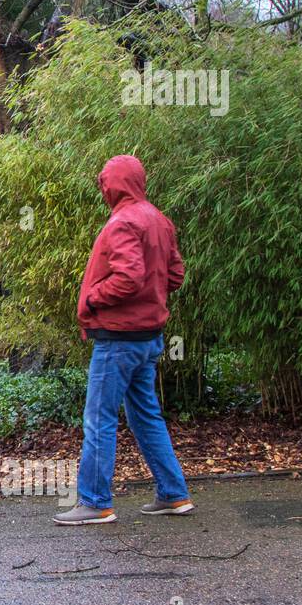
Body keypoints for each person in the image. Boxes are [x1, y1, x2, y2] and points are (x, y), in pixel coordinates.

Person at [54, 155, 194, 525]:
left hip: (118, 339)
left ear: (112, 184)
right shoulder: (159, 219)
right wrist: (152, 293)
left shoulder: (122, 222)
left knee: (99, 418)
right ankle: (173, 494)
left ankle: (95, 502)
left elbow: (129, 276)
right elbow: (175, 275)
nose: (103, 189)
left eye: (105, 182)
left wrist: (93, 297)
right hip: (149, 337)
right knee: (146, 415)